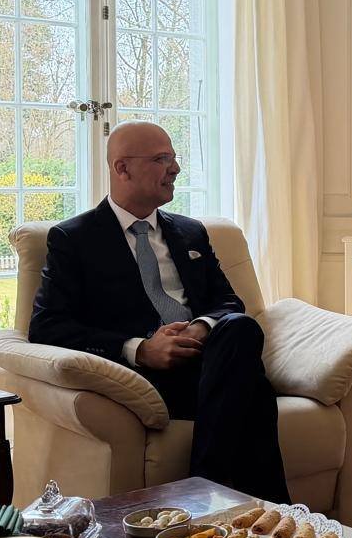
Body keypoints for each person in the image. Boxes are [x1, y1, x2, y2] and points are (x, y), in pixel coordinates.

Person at [28, 120, 288, 503]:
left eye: (174, 158)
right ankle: (274, 512)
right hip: (146, 379)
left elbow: (228, 302)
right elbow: (47, 326)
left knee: (239, 328)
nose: (176, 169)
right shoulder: (75, 239)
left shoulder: (191, 232)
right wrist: (140, 348)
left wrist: (200, 327)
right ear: (122, 168)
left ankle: (207, 493)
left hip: (211, 358)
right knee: (252, 389)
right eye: (162, 159)